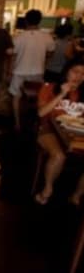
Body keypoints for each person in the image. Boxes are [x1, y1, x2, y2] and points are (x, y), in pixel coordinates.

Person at [35, 59, 84, 205]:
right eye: (75, 71)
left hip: (76, 133)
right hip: (49, 129)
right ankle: (47, 189)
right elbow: (41, 113)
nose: (79, 76)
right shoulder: (49, 87)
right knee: (58, 156)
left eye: (83, 74)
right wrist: (62, 94)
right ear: (66, 71)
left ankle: (77, 195)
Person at [9, 9, 55, 130]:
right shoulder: (47, 37)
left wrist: (9, 71)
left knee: (16, 98)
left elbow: (12, 56)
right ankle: (34, 123)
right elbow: (50, 52)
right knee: (36, 99)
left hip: (19, 72)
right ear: (39, 21)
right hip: (37, 72)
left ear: (26, 21)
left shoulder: (18, 37)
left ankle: (17, 123)